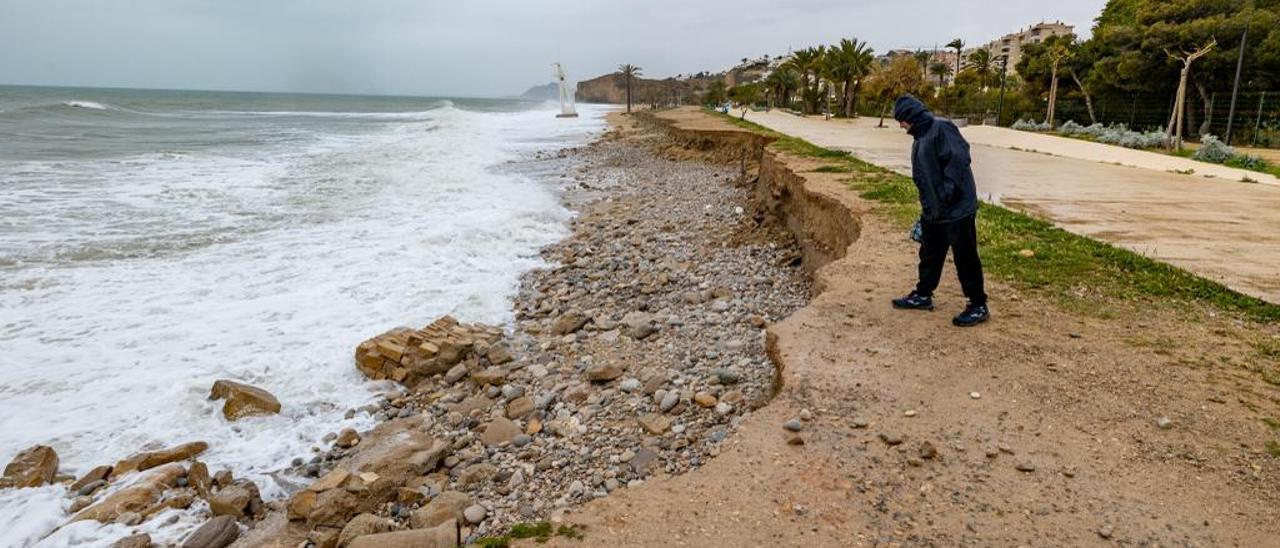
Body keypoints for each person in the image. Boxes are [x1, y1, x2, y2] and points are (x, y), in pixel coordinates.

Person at [889, 95, 989, 327]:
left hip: (956, 210)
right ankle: (923, 295)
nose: (901, 125)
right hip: (935, 211)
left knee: (966, 257)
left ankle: (978, 305)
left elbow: (957, 164)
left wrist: (944, 198)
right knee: (930, 254)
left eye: (902, 120)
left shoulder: (942, 128)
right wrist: (928, 208)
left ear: (912, 117)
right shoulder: (920, 136)